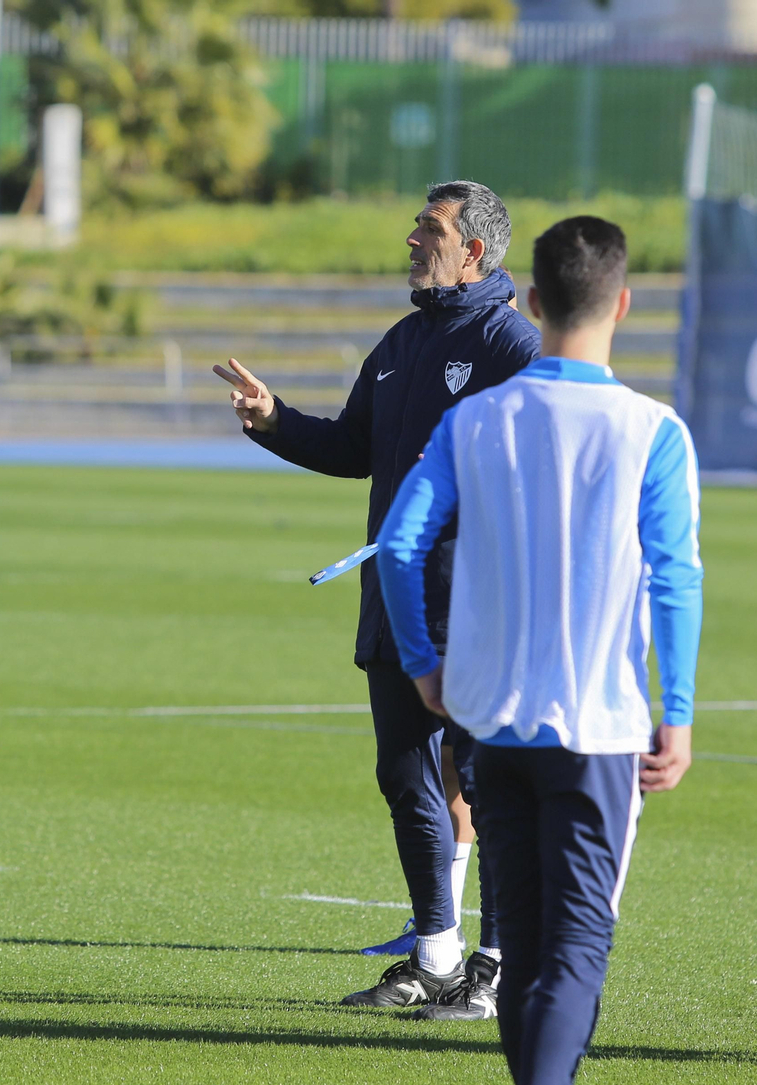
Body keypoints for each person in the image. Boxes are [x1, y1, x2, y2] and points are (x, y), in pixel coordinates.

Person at [376, 215, 700, 1084]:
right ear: (623, 304)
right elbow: (675, 581)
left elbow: (402, 547)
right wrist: (678, 714)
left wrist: (422, 662)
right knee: (572, 952)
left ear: (530, 300)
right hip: (597, 730)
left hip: (492, 726)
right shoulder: (653, 431)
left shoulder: (474, 422)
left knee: (523, 941)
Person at [216, 181, 540, 1016]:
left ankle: (496, 964)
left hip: (475, 606)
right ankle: (434, 957)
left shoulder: (512, 345)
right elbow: (352, 446)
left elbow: (532, 471)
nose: (410, 238)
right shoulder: (399, 342)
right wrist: (273, 418)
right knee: (404, 773)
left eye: (427, 228)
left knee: (487, 782)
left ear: (474, 250)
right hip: (396, 604)